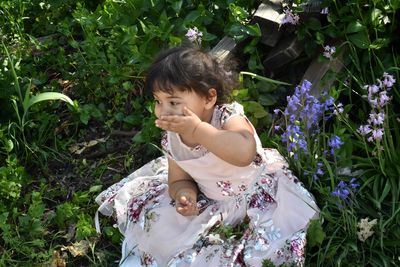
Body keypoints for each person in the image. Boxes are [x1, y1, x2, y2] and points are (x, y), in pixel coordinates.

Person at [95, 45, 319, 266]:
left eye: (173, 102)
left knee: (262, 251)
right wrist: (184, 193)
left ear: (209, 98)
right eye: (158, 101)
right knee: (161, 231)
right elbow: (178, 178)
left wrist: (198, 131)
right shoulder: (174, 138)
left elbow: (244, 153)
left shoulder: (227, 117)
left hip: (253, 192)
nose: (163, 110)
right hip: (211, 200)